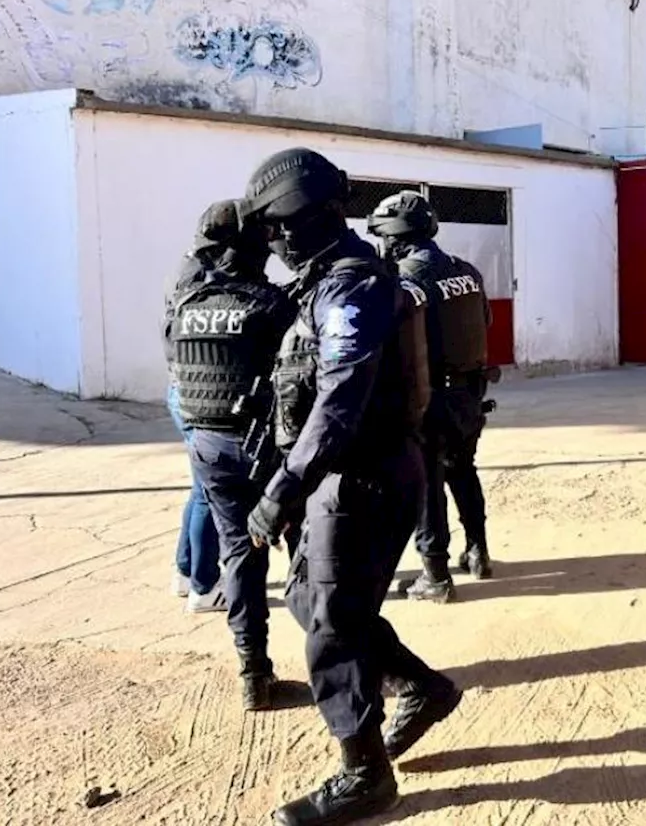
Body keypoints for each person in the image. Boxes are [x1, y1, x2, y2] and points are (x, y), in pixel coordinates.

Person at [236, 149, 461, 826]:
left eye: (282, 226)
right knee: (316, 605)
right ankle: (420, 687)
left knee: (331, 627)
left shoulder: (353, 286)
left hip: (363, 477)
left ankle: (365, 775)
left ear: (322, 217)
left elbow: (341, 400)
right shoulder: (318, 282)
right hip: (339, 475)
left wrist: (284, 487)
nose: (274, 240)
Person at [167, 201, 293, 709]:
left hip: (208, 448)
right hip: (268, 450)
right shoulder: (271, 304)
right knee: (306, 554)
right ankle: (344, 671)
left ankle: (253, 674)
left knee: (239, 556)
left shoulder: (186, 303)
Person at [367, 189, 494, 603]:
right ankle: (478, 552)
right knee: (463, 469)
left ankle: (435, 575)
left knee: (427, 484)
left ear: (396, 237)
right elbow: (485, 322)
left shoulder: (402, 282)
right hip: (470, 395)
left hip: (428, 398)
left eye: (383, 237)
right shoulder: (468, 271)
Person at [162, 204, 230, 613]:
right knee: (209, 491)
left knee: (199, 485)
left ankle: (186, 571)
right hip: (196, 391)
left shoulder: (188, 266)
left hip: (182, 388)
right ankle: (205, 586)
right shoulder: (203, 278)